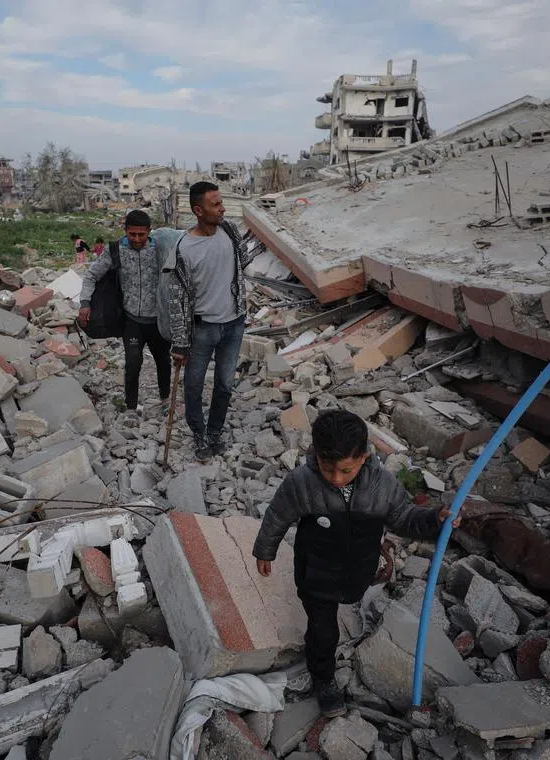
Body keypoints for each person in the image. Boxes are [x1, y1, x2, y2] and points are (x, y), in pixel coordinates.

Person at [252, 409, 459, 718]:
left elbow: (403, 516)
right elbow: (278, 515)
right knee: (322, 630)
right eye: (327, 468)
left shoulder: (382, 486)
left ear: (364, 457)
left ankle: (340, 615)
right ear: (317, 455)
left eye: (345, 470)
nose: (336, 479)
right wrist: (265, 550)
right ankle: (323, 679)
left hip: (357, 569)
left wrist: (434, 519)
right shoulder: (303, 482)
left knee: (347, 601)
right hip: (316, 571)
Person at [164, 181, 254, 461]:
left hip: (234, 324)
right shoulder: (183, 249)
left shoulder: (229, 230)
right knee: (193, 385)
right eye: (216, 205)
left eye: (221, 202)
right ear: (198, 210)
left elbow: (243, 261)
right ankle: (199, 435)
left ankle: (214, 433)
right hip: (201, 329)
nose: (223, 208)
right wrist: (179, 344)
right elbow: (175, 300)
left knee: (225, 384)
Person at [78, 210, 172, 415]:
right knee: (132, 363)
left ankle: (166, 400)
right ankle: (131, 407)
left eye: (141, 234)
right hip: (131, 321)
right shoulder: (115, 250)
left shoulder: (161, 250)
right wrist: (85, 303)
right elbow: (91, 276)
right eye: (132, 234)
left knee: (163, 360)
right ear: (125, 231)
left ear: (149, 232)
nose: (137, 239)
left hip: (158, 320)